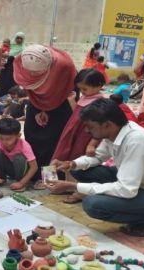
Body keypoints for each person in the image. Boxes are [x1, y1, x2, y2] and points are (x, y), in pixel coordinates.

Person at [49, 98, 144, 237]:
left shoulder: (136, 141)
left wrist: (73, 186)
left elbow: (126, 190)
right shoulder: (114, 131)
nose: (86, 131)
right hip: (140, 182)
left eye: (90, 127)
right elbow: (98, 157)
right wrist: (71, 164)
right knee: (79, 169)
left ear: (107, 124)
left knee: (93, 204)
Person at [13, 44, 77, 189]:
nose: (33, 76)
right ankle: (34, 175)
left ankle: (50, 178)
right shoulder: (22, 60)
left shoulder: (63, 67)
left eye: (38, 73)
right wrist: (39, 109)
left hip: (62, 101)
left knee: (53, 140)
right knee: (32, 134)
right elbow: (30, 86)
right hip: (36, 102)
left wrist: (48, 109)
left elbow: (63, 90)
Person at [51, 69, 103, 203]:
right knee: (68, 159)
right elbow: (79, 114)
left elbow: (100, 127)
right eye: (81, 89)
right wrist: (72, 101)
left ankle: (79, 191)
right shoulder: (86, 97)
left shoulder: (99, 102)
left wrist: (92, 143)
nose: (83, 92)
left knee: (79, 161)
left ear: (98, 86)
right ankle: (69, 186)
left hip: (84, 137)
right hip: (73, 134)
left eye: (85, 89)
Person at [0, 118, 38, 192]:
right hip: (11, 170)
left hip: (22, 170)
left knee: (19, 158)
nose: (4, 142)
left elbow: (34, 167)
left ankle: (23, 182)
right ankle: (1, 179)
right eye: (1, 138)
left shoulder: (24, 146)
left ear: (18, 135)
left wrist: (21, 183)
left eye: (8, 139)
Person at [0, 32, 25, 98]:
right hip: (5, 69)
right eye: (17, 38)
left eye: (21, 38)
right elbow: (1, 53)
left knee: (12, 86)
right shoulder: (9, 45)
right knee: (3, 85)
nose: (19, 40)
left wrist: (11, 57)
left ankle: (11, 102)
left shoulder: (23, 49)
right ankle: (1, 100)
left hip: (15, 70)